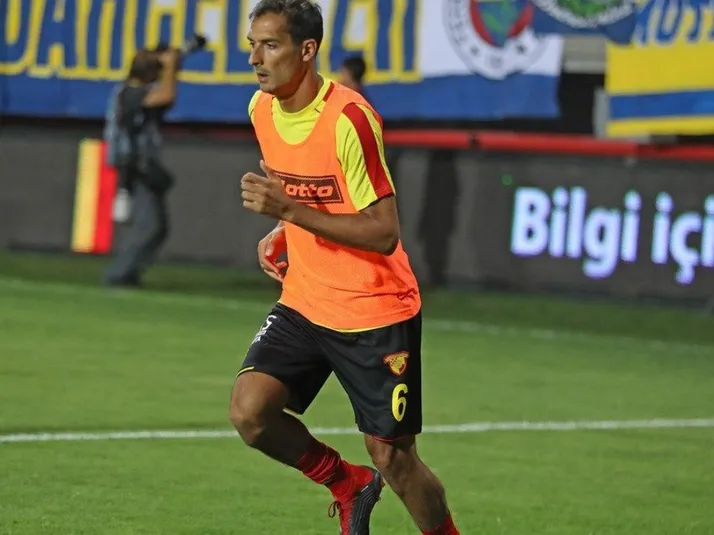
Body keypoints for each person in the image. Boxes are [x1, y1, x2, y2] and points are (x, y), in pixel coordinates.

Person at [231, 1, 460, 534]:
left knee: (394, 459)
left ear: (307, 50)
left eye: (270, 45)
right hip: (306, 299)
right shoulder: (261, 110)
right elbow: (310, 193)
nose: (256, 59)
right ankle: (347, 482)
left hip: (373, 311)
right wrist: (284, 227)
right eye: (252, 45)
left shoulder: (349, 119)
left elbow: (383, 232)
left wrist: (290, 212)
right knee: (250, 413)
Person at [101, 47, 179, 288]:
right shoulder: (130, 93)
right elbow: (166, 96)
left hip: (141, 165)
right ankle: (118, 275)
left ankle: (128, 273)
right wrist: (170, 68)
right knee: (149, 226)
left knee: (157, 227)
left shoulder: (132, 92)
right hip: (135, 166)